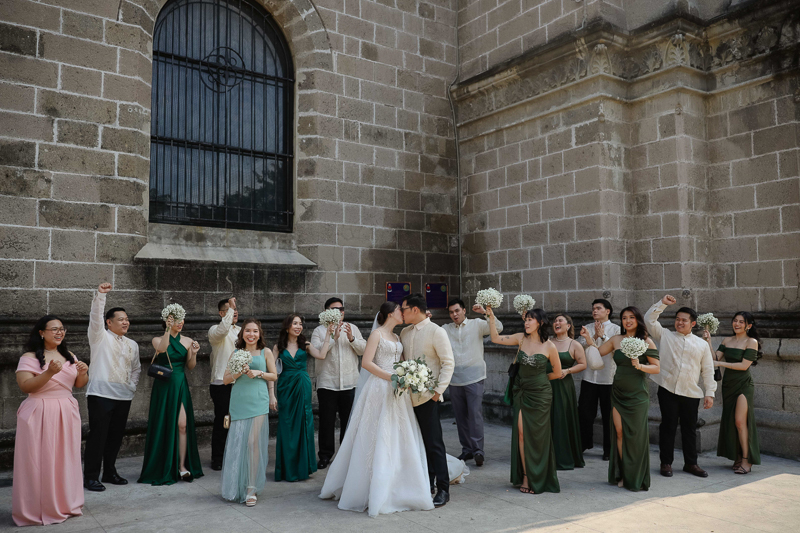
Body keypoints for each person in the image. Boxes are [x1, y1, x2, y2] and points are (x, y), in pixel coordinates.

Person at [320, 301, 434, 516]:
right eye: (399, 310)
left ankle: (401, 483)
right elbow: (367, 363)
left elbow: (402, 362)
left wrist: (410, 374)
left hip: (398, 390)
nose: (403, 312)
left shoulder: (397, 337)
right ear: (390, 313)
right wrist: (391, 377)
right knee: (377, 433)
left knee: (399, 434)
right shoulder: (377, 334)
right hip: (379, 388)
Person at [13, 316, 89, 526]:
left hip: (66, 411)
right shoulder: (29, 357)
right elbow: (26, 386)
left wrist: (83, 373)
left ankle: (65, 503)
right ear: (41, 333)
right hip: (39, 411)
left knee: (66, 458)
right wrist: (48, 373)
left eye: (62, 329)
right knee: (38, 460)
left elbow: (79, 384)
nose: (59, 332)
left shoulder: (69, 355)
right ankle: (38, 507)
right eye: (54, 329)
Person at [583, 307, 659, 491]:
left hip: (637, 394)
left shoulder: (646, 341)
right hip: (618, 392)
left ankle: (635, 475)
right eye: (624, 318)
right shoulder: (616, 339)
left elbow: (656, 368)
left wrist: (640, 366)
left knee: (636, 437)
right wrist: (589, 339)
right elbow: (598, 352)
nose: (628, 321)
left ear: (638, 320)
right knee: (619, 433)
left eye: (631, 317)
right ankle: (624, 473)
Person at [488, 307, 561, 494]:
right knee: (521, 434)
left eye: (530, 320)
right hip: (521, 392)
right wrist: (490, 316)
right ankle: (527, 476)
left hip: (541, 395)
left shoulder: (550, 346)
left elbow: (557, 373)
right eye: (526, 319)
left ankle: (541, 476)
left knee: (538, 437)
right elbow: (495, 338)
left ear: (540, 323)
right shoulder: (520, 338)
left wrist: (539, 381)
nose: (526, 323)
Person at [645, 295, 716, 478]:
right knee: (667, 427)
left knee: (689, 429)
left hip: (690, 392)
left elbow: (708, 370)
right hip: (667, 388)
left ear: (693, 324)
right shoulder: (665, 335)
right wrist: (662, 303)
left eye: (684, 320)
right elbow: (649, 320)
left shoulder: (701, 344)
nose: (680, 323)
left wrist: (710, 393)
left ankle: (691, 464)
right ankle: (666, 463)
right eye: (677, 319)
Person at [83, 282, 141, 492]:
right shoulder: (100, 336)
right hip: (101, 395)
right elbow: (95, 319)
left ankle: (109, 472)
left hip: (124, 396)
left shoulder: (132, 344)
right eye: (121, 319)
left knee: (116, 437)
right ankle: (90, 477)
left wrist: (131, 387)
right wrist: (100, 296)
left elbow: (136, 369)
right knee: (98, 436)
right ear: (109, 322)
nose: (126, 322)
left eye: (127, 319)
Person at [400, 293, 455, 507]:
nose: (401, 313)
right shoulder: (404, 332)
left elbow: (448, 363)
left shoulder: (436, 331)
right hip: (407, 399)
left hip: (428, 397)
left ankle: (443, 488)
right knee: (417, 443)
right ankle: (426, 483)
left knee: (434, 444)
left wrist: (437, 392)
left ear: (415, 309)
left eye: (404, 309)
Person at [138, 310, 203, 485]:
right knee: (164, 423)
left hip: (180, 383)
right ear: (167, 321)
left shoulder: (187, 340)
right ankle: (165, 464)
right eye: (176, 320)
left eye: (182, 319)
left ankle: (182, 466)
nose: (180, 323)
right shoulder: (157, 339)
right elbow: (162, 349)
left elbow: (190, 366)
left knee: (182, 424)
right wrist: (167, 330)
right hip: (163, 385)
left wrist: (194, 353)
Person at [221, 318, 278, 506]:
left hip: (259, 400)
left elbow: (274, 375)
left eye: (255, 331)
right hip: (239, 400)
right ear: (242, 333)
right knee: (239, 443)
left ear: (259, 334)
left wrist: (259, 373)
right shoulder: (236, 353)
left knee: (252, 442)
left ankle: (251, 488)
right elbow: (226, 380)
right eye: (247, 331)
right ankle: (236, 485)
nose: (251, 334)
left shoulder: (265, 352)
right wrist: (240, 371)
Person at [441, 298, 502, 467]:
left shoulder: (477, 324)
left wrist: (486, 313)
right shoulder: (445, 329)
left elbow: (498, 328)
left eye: (457, 311)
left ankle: (478, 451)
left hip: (474, 376)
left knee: (475, 414)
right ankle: (467, 449)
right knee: (460, 417)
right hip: (455, 378)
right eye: (451, 312)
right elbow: (432, 334)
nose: (454, 315)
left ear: (464, 310)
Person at [273, 314, 333, 482]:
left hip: (302, 385)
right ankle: (286, 468)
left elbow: (321, 355)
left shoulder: (305, 344)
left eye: (300, 324)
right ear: (287, 327)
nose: (298, 326)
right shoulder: (278, 347)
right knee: (286, 424)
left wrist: (328, 334)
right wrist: (271, 394)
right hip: (285, 386)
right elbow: (271, 370)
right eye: (295, 323)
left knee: (303, 423)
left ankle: (303, 467)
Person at [311, 297, 366, 470]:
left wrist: (351, 338)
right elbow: (318, 351)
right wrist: (333, 337)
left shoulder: (353, 328)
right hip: (327, 382)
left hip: (350, 382)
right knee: (326, 422)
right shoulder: (319, 331)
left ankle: (346, 455)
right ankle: (325, 455)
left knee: (348, 421)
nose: (339, 312)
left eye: (341, 309)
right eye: (335, 309)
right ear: (326, 312)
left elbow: (364, 350)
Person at [706, 312, 761, 474]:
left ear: (748, 326)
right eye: (735, 321)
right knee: (732, 421)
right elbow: (715, 358)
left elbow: (744, 366)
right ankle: (737, 457)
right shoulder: (726, 340)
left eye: (741, 322)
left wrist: (720, 364)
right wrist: (709, 342)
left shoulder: (751, 342)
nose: (737, 324)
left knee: (740, 421)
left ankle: (746, 460)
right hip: (728, 385)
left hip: (744, 384)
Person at [577, 299, 620, 460]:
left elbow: (616, 349)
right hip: (589, 377)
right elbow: (579, 348)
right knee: (584, 413)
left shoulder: (616, 329)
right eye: (593, 308)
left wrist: (603, 336)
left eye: (598, 308)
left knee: (609, 415)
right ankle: (583, 444)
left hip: (608, 378)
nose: (594, 311)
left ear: (607, 311)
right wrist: (594, 335)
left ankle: (608, 450)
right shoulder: (587, 327)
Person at [549, 314, 587, 470]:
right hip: (547, 384)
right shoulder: (548, 342)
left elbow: (583, 364)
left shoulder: (574, 344)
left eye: (560, 321)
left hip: (563, 386)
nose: (556, 323)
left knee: (561, 417)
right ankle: (547, 456)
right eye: (555, 321)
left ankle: (563, 456)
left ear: (568, 326)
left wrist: (568, 370)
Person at [208, 297, 240, 471]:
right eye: (229, 309)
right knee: (223, 419)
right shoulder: (215, 330)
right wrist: (230, 312)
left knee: (238, 419)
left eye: (235, 309)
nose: (234, 312)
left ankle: (235, 454)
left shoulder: (242, 331)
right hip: (221, 383)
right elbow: (222, 330)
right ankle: (218, 457)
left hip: (240, 381)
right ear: (221, 313)